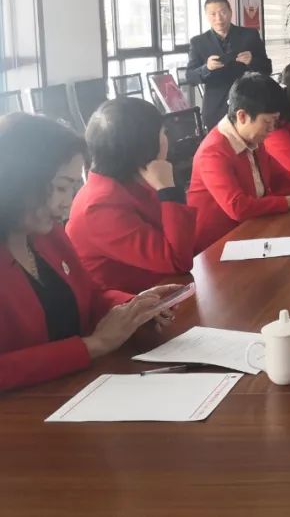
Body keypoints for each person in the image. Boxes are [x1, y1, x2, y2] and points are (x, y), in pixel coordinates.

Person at [0, 113, 182, 392]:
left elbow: (89, 296)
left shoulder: (47, 234)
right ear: (18, 181)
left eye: (72, 187)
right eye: (61, 187)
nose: (67, 202)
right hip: (25, 409)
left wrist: (133, 308)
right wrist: (93, 346)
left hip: (77, 387)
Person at [67, 99, 200, 294]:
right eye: (163, 132)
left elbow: (186, 245)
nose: (167, 139)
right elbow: (178, 261)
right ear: (146, 145)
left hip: (163, 289)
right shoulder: (100, 205)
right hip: (134, 304)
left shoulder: (129, 180)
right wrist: (168, 190)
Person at [187, 73, 290, 250]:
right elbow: (238, 207)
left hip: (253, 231)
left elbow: (279, 176)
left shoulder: (253, 138)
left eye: (275, 121)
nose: (272, 129)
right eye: (267, 122)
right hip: (218, 246)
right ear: (242, 116)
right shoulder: (213, 152)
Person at [185, 0, 272, 127]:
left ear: (230, 12)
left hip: (249, 104)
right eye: (213, 14)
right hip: (215, 109)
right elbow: (190, 77)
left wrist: (252, 61)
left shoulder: (250, 35)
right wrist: (207, 68)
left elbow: (267, 69)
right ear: (206, 16)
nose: (219, 18)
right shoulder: (198, 42)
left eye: (223, 12)